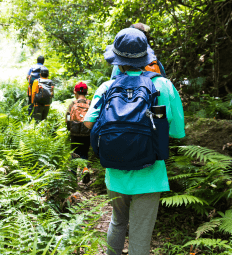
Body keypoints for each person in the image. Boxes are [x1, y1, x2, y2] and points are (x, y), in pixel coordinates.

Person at [84, 28, 185, 255]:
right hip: (150, 174)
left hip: (116, 172)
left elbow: (88, 123)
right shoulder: (164, 86)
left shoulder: (107, 87)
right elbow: (177, 132)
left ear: (117, 61)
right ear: (146, 58)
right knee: (141, 233)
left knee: (117, 222)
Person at [65, 82, 91, 183]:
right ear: (86, 92)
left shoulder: (72, 104)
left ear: (75, 92)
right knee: (84, 153)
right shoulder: (90, 103)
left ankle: (72, 177)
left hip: (74, 133)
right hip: (86, 133)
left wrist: (69, 127)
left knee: (74, 154)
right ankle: (85, 169)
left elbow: (67, 116)